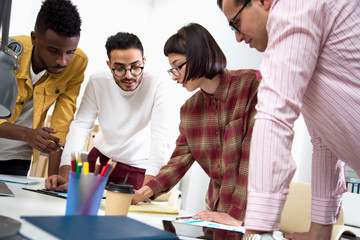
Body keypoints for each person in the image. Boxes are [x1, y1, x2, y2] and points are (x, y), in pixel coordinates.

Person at [217, 0, 360, 239]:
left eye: (236, 23)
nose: (238, 38)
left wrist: (259, 230)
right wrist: (319, 233)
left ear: (262, 2)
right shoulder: (305, 39)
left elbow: (274, 115)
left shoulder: (294, 5)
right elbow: (324, 142)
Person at [132, 23, 261, 227]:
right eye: (171, 69)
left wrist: (237, 215)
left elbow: (253, 157)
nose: (175, 76)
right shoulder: (189, 110)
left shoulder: (249, 85)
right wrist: (145, 192)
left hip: (252, 215)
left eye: (178, 66)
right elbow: (178, 161)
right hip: (215, 214)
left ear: (199, 55)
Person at [45, 32, 172, 191]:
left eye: (135, 67)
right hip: (99, 160)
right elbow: (81, 126)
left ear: (144, 62)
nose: (128, 75)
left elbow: (160, 138)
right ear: (109, 65)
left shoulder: (158, 85)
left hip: (136, 168)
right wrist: (65, 172)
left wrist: (149, 188)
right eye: (119, 68)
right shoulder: (97, 81)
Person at [0, 0, 88, 176]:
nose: (63, 61)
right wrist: (27, 134)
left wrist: (54, 179)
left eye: (70, 51)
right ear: (34, 38)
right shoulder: (5, 53)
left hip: (17, 159)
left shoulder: (77, 63)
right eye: (54, 50)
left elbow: (61, 125)